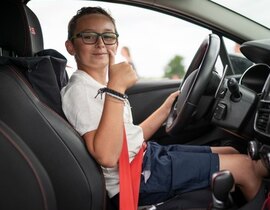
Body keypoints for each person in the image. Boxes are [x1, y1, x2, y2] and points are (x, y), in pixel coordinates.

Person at [61, 6, 268, 207]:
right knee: (246, 167)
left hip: (144, 159)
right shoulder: (81, 91)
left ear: (115, 43)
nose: (100, 44)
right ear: (71, 46)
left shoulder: (97, 87)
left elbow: (128, 138)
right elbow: (107, 156)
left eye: (108, 36)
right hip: (136, 178)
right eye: (88, 36)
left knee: (232, 151)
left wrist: (167, 107)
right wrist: (116, 88)